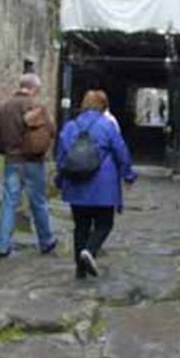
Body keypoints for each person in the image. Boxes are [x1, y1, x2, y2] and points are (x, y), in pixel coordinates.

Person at [56, 90, 137, 278]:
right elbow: (121, 152)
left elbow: (61, 157)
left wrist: (60, 179)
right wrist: (128, 175)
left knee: (80, 226)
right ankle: (90, 251)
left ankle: (80, 270)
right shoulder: (107, 126)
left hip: (76, 185)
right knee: (104, 224)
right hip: (103, 187)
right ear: (103, 105)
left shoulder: (70, 126)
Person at [0, 73, 57, 258]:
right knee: (39, 203)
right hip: (34, 162)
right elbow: (51, 130)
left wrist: (8, 150)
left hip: (12, 161)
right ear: (34, 89)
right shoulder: (36, 107)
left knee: (9, 203)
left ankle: (3, 245)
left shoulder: (3, 108)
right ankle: (46, 241)